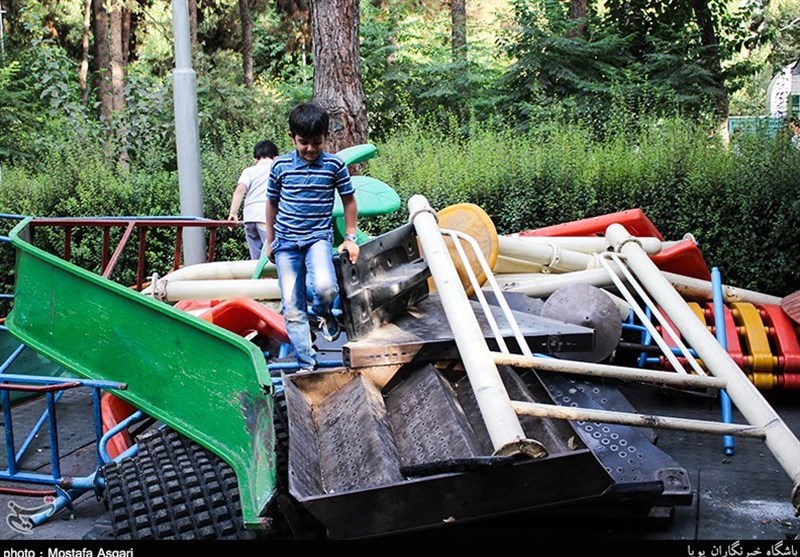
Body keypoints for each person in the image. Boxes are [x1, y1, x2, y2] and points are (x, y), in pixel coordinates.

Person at [265, 102, 360, 373]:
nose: (310, 148)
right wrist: (270, 240)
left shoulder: (334, 165)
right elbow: (271, 203)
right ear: (292, 137)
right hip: (286, 242)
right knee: (292, 306)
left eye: (316, 142)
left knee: (325, 288)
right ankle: (307, 365)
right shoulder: (280, 166)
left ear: (326, 136)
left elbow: (349, 201)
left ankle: (323, 312)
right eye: (303, 142)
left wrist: (350, 237)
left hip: (317, 238)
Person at [227, 140, 280, 260]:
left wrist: (233, 213)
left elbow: (239, 190)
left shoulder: (249, 171)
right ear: (275, 157)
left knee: (256, 258)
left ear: (255, 158)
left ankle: (257, 272)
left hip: (250, 217)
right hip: (266, 217)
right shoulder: (277, 169)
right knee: (271, 256)